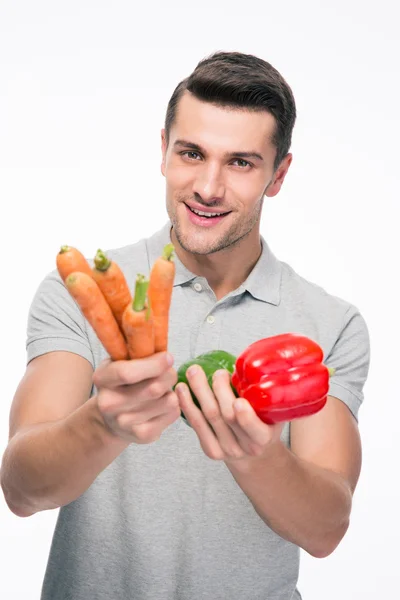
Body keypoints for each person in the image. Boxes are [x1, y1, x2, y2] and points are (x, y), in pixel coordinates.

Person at [1, 51, 370, 600]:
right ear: (164, 152)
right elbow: (22, 489)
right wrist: (105, 426)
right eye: (191, 154)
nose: (208, 187)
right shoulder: (89, 289)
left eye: (241, 162)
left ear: (279, 175)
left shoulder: (331, 323)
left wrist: (256, 454)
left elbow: (324, 530)